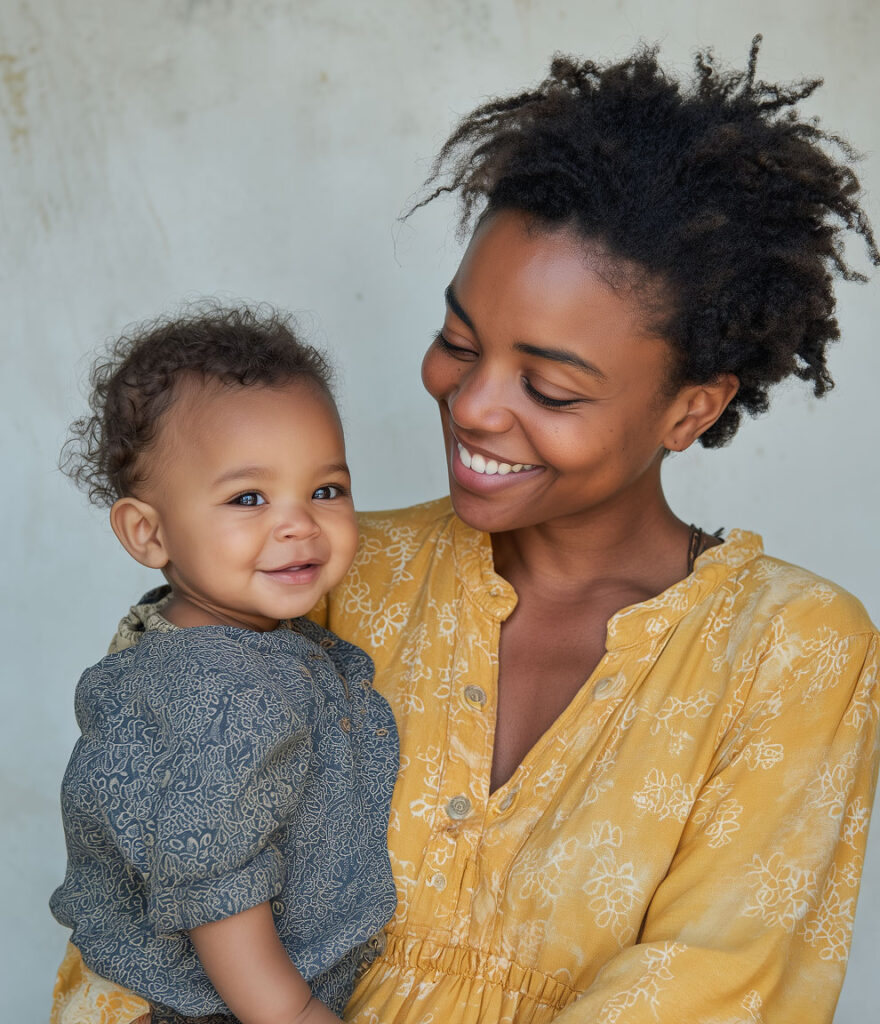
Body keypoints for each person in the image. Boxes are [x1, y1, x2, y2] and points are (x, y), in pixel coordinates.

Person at [54, 38, 880, 1024]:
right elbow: (128, 919)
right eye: (457, 341)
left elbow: (721, 990)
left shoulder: (791, 649)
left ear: (689, 411)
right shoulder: (308, 567)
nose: (473, 404)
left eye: (549, 386)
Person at [49, 307, 398, 1024]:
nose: (299, 523)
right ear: (148, 533)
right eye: (249, 498)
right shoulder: (226, 694)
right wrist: (292, 1012)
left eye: (325, 489)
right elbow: (216, 887)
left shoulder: (207, 644)